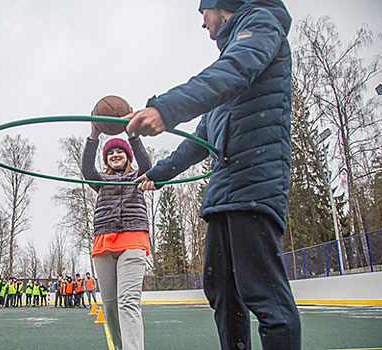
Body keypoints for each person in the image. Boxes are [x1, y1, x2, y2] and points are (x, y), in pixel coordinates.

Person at [127, 1, 301, 349]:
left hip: (255, 183)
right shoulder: (228, 73)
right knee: (221, 291)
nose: (202, 22)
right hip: (226, 190)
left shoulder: (261, 26)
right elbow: (200, 139)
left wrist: (167, 107)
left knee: (262, 292)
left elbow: (234, 69)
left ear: (223, 6)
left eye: (203, 11)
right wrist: (159, 173)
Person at [81, 123, 151, 350]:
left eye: (119, 151)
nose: (115, 155)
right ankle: (122, 347)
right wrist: (94, 136)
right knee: (110, 305)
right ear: (106, 160)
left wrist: (132, 136)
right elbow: (87, 170)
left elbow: (147, 164)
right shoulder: (99, 181)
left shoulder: (139, 177)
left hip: (133, 241)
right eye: (110, 153)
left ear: (128, 156)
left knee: (128, 303)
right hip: (103, 244)